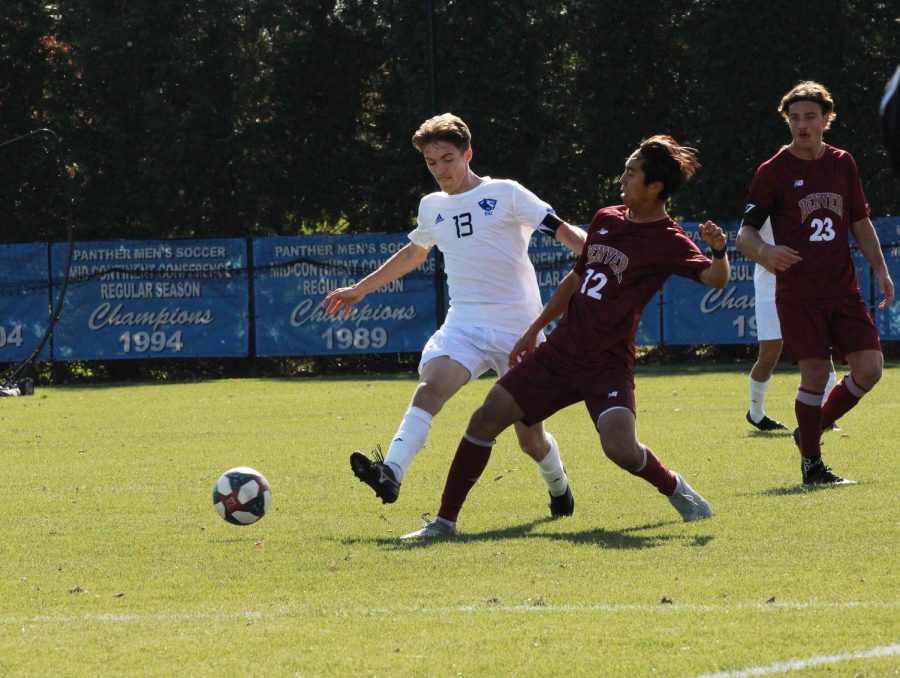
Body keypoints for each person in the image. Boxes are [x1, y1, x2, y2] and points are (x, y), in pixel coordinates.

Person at [401, 134, 728, 539]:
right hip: (558, 354)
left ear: (655, 186)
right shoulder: (608, 218)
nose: (622, 177)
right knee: (484, 419)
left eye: (631, 171)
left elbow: (714, 279)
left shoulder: (667, 238)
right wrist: (533, 332)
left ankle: (676, 489)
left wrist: (718, 251)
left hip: (606, 363)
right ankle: (444, 523)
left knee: (621, 450)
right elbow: (575, 279)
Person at [322, 113, 586, 516]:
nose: (439, 169)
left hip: (521, 332)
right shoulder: (431, 207)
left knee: (531, 441)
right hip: (464, 325)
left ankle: (559, 487)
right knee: (430, 388)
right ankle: (391, 470)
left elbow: (564, 231)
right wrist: (360, 289)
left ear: (468, 154)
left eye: (447, 159)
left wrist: (601, 257)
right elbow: (414, 252)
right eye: (431, 162)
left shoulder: (507, 193)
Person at [737, 81, 895, 485]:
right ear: (787, 121)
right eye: (794, 118)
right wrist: (767, 253)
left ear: (827, 120)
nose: (802, 125)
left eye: (810, 117)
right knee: (814, 376)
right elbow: (745, 236)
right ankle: (812, 466)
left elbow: (859, 221)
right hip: (799, 293)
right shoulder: (773, 171)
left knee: (871, 367)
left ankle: (810, 428)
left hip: (843, 288)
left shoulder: (843, 163)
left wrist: (880, 268)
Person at [745, 217, 837, 432]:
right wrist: (772, 259)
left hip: (808, 287)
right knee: (769, 355)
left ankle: (825, 414)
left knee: (821, 350)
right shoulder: (763, 200)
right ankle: (756, 414)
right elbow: (746, 241)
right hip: (770, 289)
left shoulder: (807, 197)